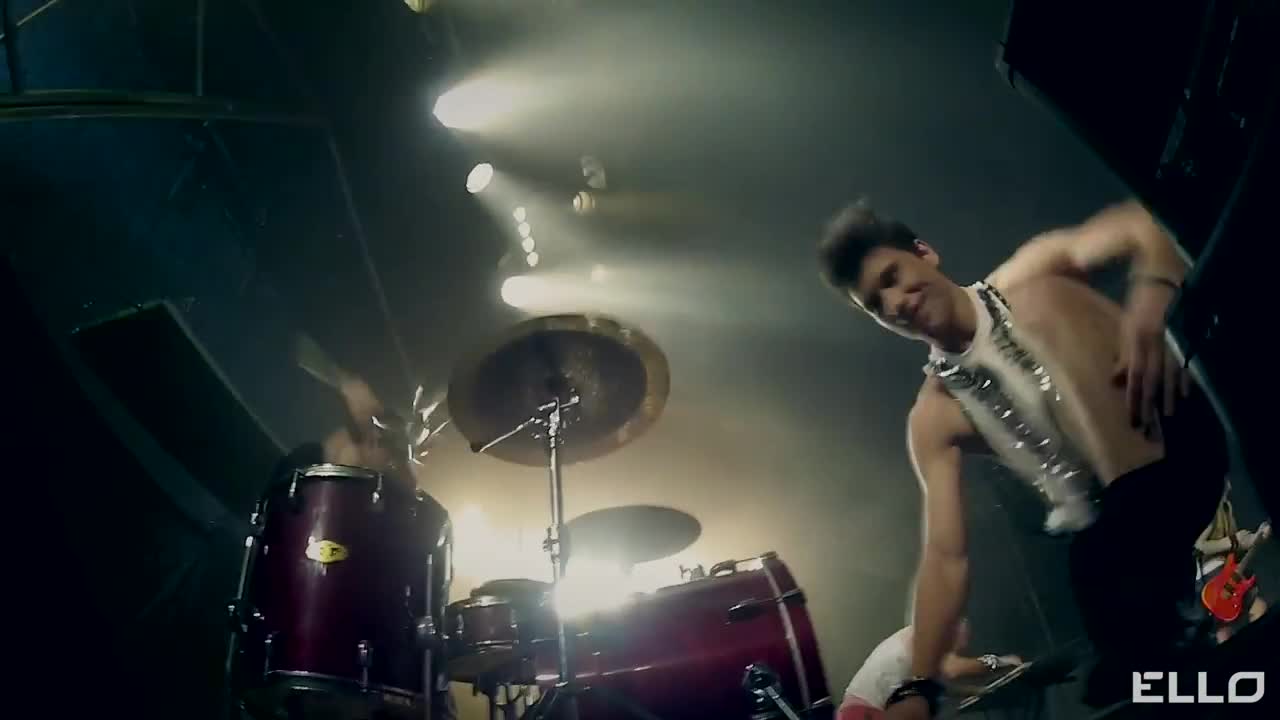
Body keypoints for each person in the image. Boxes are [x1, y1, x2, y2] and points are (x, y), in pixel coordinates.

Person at [816, 198, 1229, 717]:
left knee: (1039, 300)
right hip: (1110, 535)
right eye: (878, 305)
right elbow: (944, 555)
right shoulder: (934, 414)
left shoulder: (1024, 275)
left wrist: (1148, 308)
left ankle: (1152, 588)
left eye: (893, 277)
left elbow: (1140, 223)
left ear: (925, 253)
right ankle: (1174, 651)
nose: (897, 302)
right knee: (1109, 609)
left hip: (1171, 443)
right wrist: (916, 686)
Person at [273, 371, 457, 719]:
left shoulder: (419, 514)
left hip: (388, 678)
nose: (383, 445)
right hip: (297, 669)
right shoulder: (308, 467)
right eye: (378, 435)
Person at [838, 620, 1021, 720]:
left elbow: (941, 687)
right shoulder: (925, 635)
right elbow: (953, 669)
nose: (959, 649)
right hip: (864, 712)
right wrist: (1001, 662)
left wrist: (979, 691)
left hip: (860, 711)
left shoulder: (918, 652)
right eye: (960, 640)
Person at [1194, 481, 1271, 644]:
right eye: (1225, 480)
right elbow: (1199, 546)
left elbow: (1237, 546)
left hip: (1226, 568)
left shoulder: (1227, 507)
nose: (1229, 485)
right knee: (1224, 630)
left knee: (1258, 609)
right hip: (1211, 573)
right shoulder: (1208, 507)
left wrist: (1256, 538)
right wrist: (1232, 542)